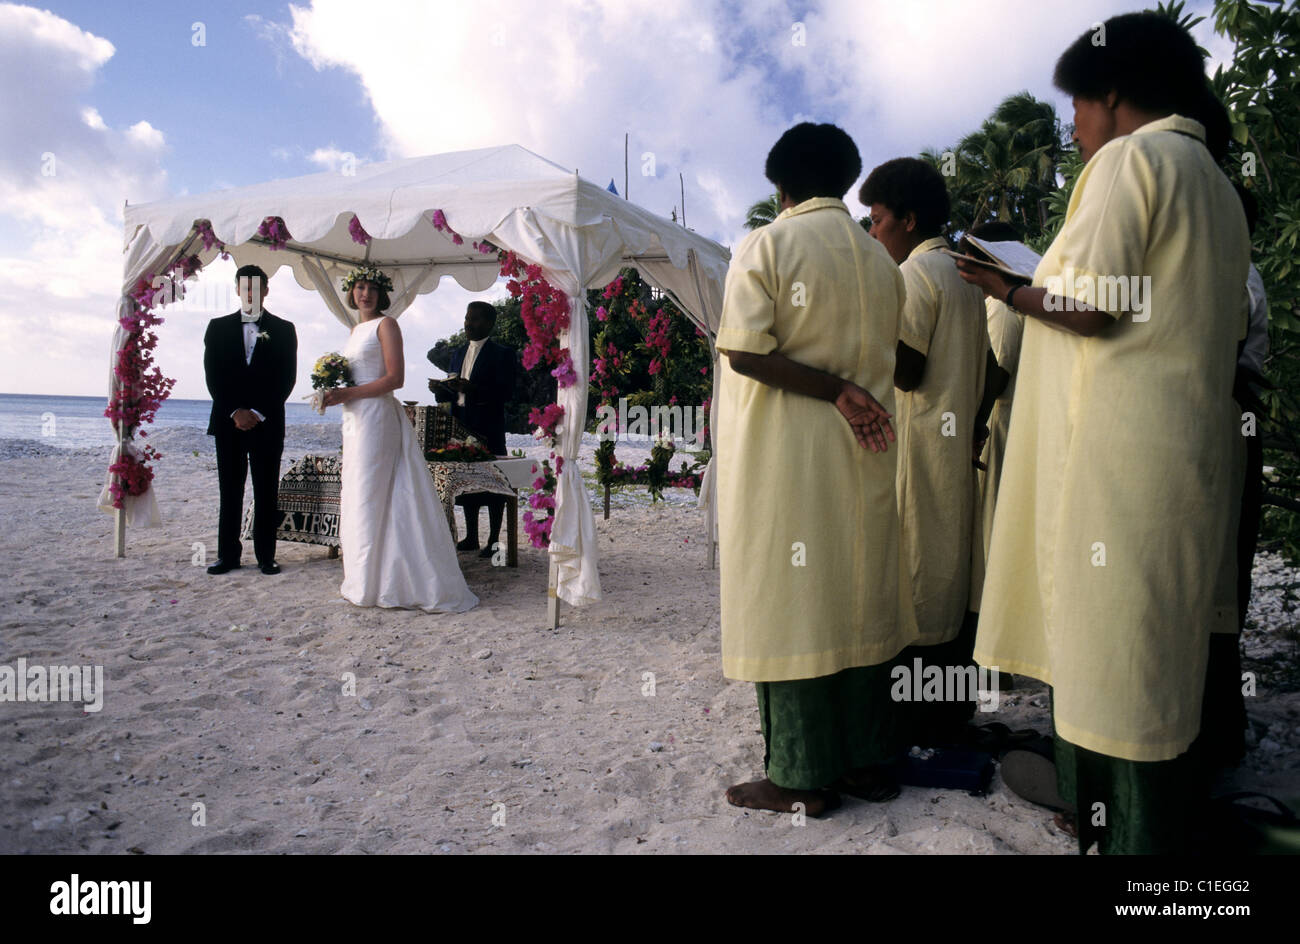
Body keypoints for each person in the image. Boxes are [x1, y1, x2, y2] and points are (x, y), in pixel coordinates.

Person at [956, 12, 1250, 853]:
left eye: (1076, 106)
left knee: (1112, 646)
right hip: (1182, 452)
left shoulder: (1134, 159)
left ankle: (1127, 835)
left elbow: (1090, 302)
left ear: (1112, 95)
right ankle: (1117, 813)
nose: (1074, 126)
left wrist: (1004, 288)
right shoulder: (1216, 184)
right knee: (1153, 644)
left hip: (1118, 458)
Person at [716, 123, 916, 817]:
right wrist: (849, 387)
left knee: (793, 608)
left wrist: (831, 389)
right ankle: (862, 762)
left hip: (789, 456)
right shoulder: (879, 260)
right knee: (857, 599)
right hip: (864, 454)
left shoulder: (768, 243)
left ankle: (800, 776)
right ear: (846, 180)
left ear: (780, 184)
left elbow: (742, 350)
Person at [860, 157, 1001, 745]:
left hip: (917, 454)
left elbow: (908, 370)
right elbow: (994, 371)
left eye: (877, 221)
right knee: (950, 578)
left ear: (908, 220)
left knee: (916, 584)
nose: (872, 234)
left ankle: (915, 724)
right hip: (954, 457)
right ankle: (949, 713)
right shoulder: (965, 275)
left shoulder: (917, 275)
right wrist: (970, 422)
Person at [322, 266, 478, 613]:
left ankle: (391, 582)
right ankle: (364, 578)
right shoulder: (354, 329)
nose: (365, 294)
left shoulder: (386, 325)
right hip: (354, 419)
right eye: (360, 287)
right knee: (358, 492)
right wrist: (333, 391)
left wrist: (349, 391)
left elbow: (395, 378)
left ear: (382, 293)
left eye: (372, 288)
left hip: (376, 417)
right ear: (351, 291)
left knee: (373, 491)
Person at [203, 264, 297, 576]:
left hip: (267, 423)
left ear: (266, 291)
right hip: (228, 423)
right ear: (237, 289)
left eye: (257, 288)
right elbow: (213, 377)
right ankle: (227, 556)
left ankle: (266, 557)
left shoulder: (284, 329)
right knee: (229, 490)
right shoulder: (217, 327)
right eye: (245, 287)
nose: (251, 293)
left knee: (266, 490)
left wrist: (256, 413)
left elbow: (286, 379)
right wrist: (235, 412)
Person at [429, 301, 517, 557]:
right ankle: (471, 537)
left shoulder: (502, 354)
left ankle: (493, 540)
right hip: (461, 424)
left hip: (488, 426)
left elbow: (507, 392)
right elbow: (452, 391)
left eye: (475, 319)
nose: (469, 323)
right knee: (466, 483)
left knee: (494, 483)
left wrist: (474, 390)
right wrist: (439, 391)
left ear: (489, 323)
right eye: (467, 318)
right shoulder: (457, 353)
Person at [965, 221, 1026, 561]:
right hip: (1003, 422)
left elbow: (998, 372)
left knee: (995, 519)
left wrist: (976, 429)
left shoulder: (1003, 307)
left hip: (1001, 425)